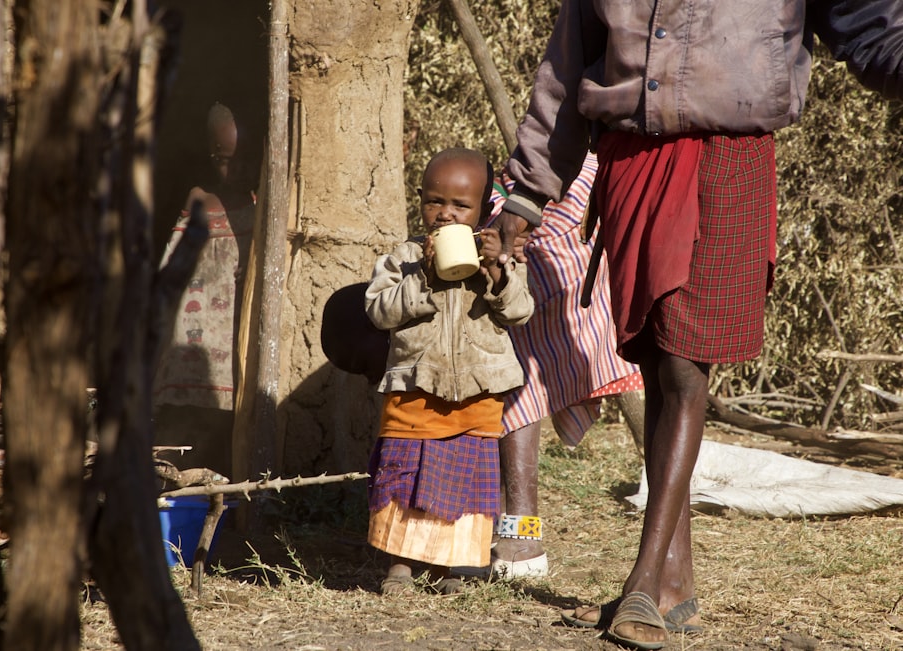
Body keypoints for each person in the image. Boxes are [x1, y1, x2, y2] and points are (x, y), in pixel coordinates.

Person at [490, 2, 903, 648]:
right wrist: (528, 188)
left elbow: (874, 23)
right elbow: (568, 64)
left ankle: (644, 583)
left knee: (686, 362)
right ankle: (674, 583)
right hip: (628, 159)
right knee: (655, 357)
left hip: (727, 157)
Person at [364, 147, 534, 595]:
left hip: (479, 391)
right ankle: (401, 562)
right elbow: (379, 311)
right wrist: (422, 275)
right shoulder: (402, 258)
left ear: (482, 211)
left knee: (465, 477)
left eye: (460, 206)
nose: (445, 214)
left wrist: (498, 271)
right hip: (415, 387)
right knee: (406, 471)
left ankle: (452, 567)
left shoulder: (498, 258)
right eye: (435, 201)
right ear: (419, 200)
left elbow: (520, 312)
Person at [486, 153, 643, 579]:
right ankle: (513, 520)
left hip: (610, 190)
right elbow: (547, 133)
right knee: (515, 351)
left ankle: (519, 524)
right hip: (543, 182)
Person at [152, 102, 257, 477]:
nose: (237, 169)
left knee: (231, 419)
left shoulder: (262, 203)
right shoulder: (198, 201)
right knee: (189, 416)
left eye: (245, 159)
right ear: (211, 155)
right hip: (196, 328)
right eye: (226, 160)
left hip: (235, 327)